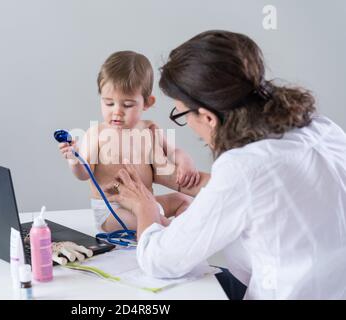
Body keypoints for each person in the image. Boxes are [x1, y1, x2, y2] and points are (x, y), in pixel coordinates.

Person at [103, 31, 346, 299]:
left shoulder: (243, 168)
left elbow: (159, 260)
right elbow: (271, 190)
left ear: (208, 117)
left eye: (182, 114)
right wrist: (197, 184)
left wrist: (145, 206)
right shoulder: (320, 127)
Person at [57, 51, 199, 232]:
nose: (117, 111)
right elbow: (84, 174)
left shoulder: (150, 129)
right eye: (109, 103)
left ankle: (175, 231)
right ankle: (176, 234)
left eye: (127, 105)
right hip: (112, 211)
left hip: (147, 204)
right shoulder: (97, 134)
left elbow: (174, 152)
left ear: (147, 103)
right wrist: (74, 160)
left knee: (184, 200)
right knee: (154, 222)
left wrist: (186, 162)